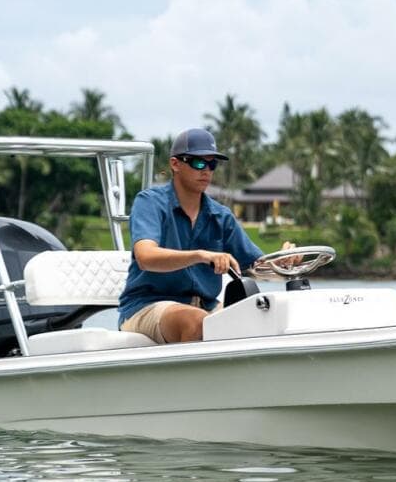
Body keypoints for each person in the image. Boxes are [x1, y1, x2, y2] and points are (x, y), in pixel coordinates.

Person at [117, 127, 288, 344]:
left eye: (212, 164)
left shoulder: (220, 216)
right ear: (175, 164)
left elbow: (257, 266)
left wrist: (283, 263)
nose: (206, 170)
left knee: (263, 316)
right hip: (146, 306)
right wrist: (200, 255)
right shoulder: (149, 202)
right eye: (198, 163)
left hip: (204, 307)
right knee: (196, 322)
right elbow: (145, 257)